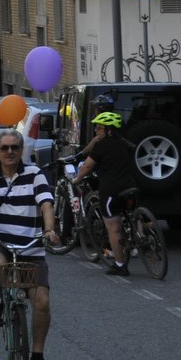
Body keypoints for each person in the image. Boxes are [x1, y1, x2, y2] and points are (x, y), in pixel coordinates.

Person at [0, 127, 60, 360]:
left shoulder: (35, 174)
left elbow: (46, 204)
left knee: (41, 301)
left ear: (21, 151)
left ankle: (37, 358)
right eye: (4, 148)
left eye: (15, 148)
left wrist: (50, 230)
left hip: (31, 246)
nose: (10, 152)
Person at [73, 110, 134, 276]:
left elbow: (87, 166)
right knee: (133, 214)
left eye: (99, 128)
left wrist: (77, 179)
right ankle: (141, 237)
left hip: (111, 191)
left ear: (108, 130)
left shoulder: (102, 146)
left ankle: (120, 265)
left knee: (112, 227)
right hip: (131, 187)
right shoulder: (125, 143)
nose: (96, 131)